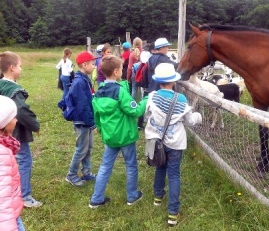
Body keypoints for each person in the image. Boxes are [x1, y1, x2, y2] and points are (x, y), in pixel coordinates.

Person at [144, 63, 202, 226]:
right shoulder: (181, 99)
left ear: (159, 81)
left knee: (160, 167)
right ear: (173, 81)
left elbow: (148, 115)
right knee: (174, 175)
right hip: (175, 143)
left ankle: (157, 197)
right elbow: (190, 121)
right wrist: (198, 116)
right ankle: (172, 214)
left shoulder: (152, 96)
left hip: (156, 141)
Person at [89, 55, 147, 208]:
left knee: (105, 166)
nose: (122, 71)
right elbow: (135, 111)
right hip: (125, 136)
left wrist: (101, 130)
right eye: (121, 69)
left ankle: (96, 198)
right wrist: (146, 100)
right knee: (131, 165)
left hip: (110, 137)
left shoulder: (98, 92)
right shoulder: (120, 92)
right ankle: (132, 195)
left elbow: (96, 115)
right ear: (116, 72)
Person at [0, 51, 42, 208]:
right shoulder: (13, 90)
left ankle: (9, 189)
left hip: (3, 132)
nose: (21, 69)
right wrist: (35, 125)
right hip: (16, 133)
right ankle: (24, 196)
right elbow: (22, 111)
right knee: (24, 160)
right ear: (12, 68)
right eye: (20, 66)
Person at [64, 51, 99, 187]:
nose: (95, 66)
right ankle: (71, 174)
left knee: (88, 147)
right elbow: (82, 105)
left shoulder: (85, 79)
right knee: (81, 149)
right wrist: (92, 124)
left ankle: (86, 172)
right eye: (92, 64)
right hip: (82, 121)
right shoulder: (79, 82)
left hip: (87, 120)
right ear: (84, 65)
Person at [0, 95, 25, 231]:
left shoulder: (4, 146)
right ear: (3, 122)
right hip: (8, 220)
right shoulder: (2, 154)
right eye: (13, 117)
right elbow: (2, 199)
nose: (16, 120)